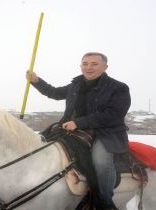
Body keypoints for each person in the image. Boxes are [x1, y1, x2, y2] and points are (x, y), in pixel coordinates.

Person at [26, 52, 131, 210]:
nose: (88, 67)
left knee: (101, 161)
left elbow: (113, 115)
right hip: (73, 128)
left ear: (105, 67)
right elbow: (54, 93)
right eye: (85, 63)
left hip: (106, 133)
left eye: (94, 64)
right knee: (40, 146)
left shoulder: (118, 88)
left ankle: (105, 202)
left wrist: (79, 122)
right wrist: (36, 81)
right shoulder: (76, 84)